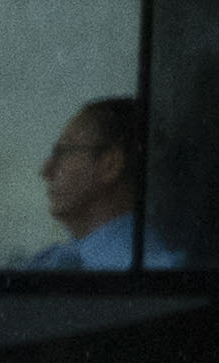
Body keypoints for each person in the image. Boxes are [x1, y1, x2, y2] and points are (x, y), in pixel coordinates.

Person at [23, 97, 183, 271]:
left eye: (64, 151)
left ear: (110, 165)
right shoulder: (71, 258)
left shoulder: (141, 268)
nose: (46, 170)